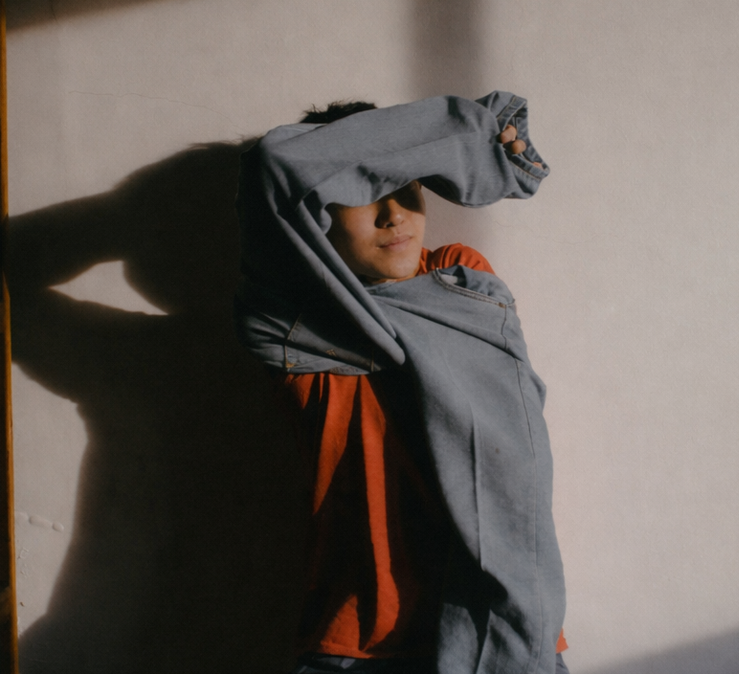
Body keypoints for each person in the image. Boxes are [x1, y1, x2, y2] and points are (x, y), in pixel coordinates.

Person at [235, 92, 567, 674]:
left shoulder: (459, 276)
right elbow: (274, 167)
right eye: (360, 193)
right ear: (314, 211)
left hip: (502, 626)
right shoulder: (288, 321)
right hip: (361, 640)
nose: (393, 215)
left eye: (405, 184)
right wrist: (473, 128)